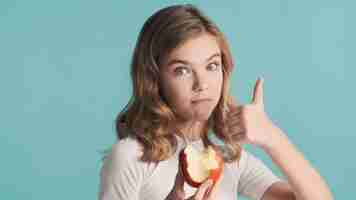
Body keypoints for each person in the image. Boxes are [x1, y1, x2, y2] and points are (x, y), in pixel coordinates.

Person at [98, 4, 333, 200]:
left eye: (211, 66)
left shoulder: (228, 157)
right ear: (153, 78)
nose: (202, 83)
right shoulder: (129, 157)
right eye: (182, 70)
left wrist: (272, 137)